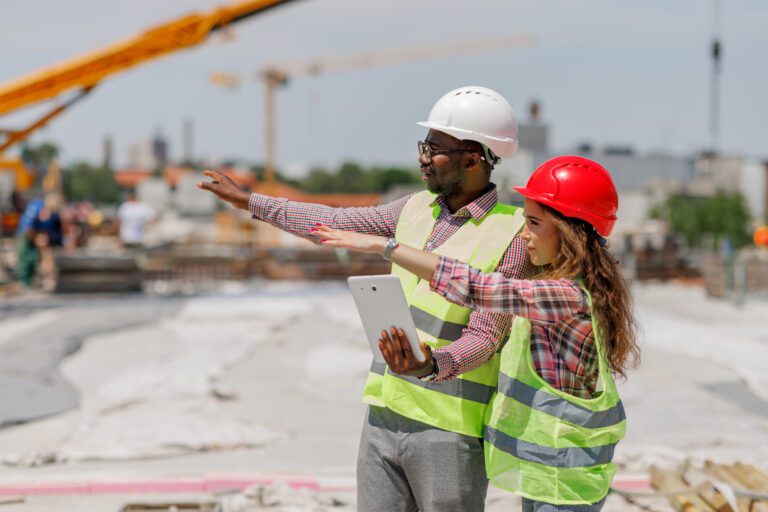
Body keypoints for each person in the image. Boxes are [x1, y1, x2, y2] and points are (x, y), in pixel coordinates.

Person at [199, 86, 533, 511]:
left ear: (472, 158)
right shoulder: (414, 209)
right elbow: (334, 221)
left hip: (448, 428)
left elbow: (488, 335)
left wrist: (433, 365)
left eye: (435, 147)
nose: (423, 157)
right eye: (423, 145)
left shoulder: (513, 234)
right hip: (383, 413)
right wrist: (250, 201)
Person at [314, 155, 640, 511]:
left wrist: (387, 246)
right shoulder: (569, 290)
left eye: (533, 223)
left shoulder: (566, 296)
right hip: (551, 475)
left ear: (570, 233)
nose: (524, 234)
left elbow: (478, 287)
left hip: (563, 482)